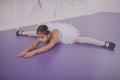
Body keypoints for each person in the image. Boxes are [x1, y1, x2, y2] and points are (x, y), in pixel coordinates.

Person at [16, 22, 116, 58]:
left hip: (64, 34)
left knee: (80, 40)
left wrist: (33, 53)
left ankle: (104, 43)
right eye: (40, 37)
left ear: (48, 35)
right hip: (53, 30)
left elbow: (47, 47)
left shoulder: (54, 38)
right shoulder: (43, 35)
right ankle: (22, 32)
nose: (39, 39)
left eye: (42, 37)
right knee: (34, 33)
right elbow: (34, 44)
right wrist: (26, 50)